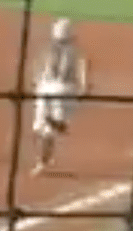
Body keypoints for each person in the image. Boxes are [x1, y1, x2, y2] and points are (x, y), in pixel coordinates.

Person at [31, 17, 89, 175]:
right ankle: (58, 125)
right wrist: (84, 88)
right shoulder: (75, 51)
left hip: (46, 88)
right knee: (53, 127)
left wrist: (37, 84)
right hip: (65, 90)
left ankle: (45, 156)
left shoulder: (49, 49)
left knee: (41, 128)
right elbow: (83, 71)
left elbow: (40, 70)